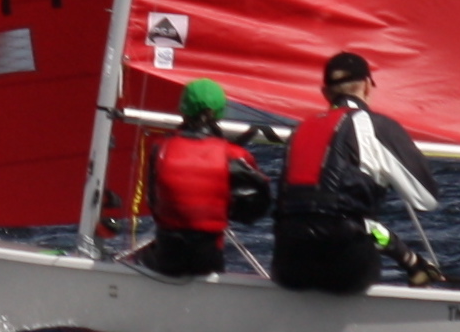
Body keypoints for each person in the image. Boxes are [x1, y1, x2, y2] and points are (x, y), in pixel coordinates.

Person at [272, 51, 441, 295]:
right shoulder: (377, 126)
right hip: (346, 271)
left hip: (288, 267)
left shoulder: (299, 131)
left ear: (325, 93)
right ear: (367, 86)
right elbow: (427, 199)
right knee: (360, 229)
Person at [138, 78, 271, 277]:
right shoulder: (233, 154)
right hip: (208, 259)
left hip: (168, 256)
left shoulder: (160, 149)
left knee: (143, 257)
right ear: (219, 111)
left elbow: (153, 202)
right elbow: (257, 207)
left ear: (183, 108)